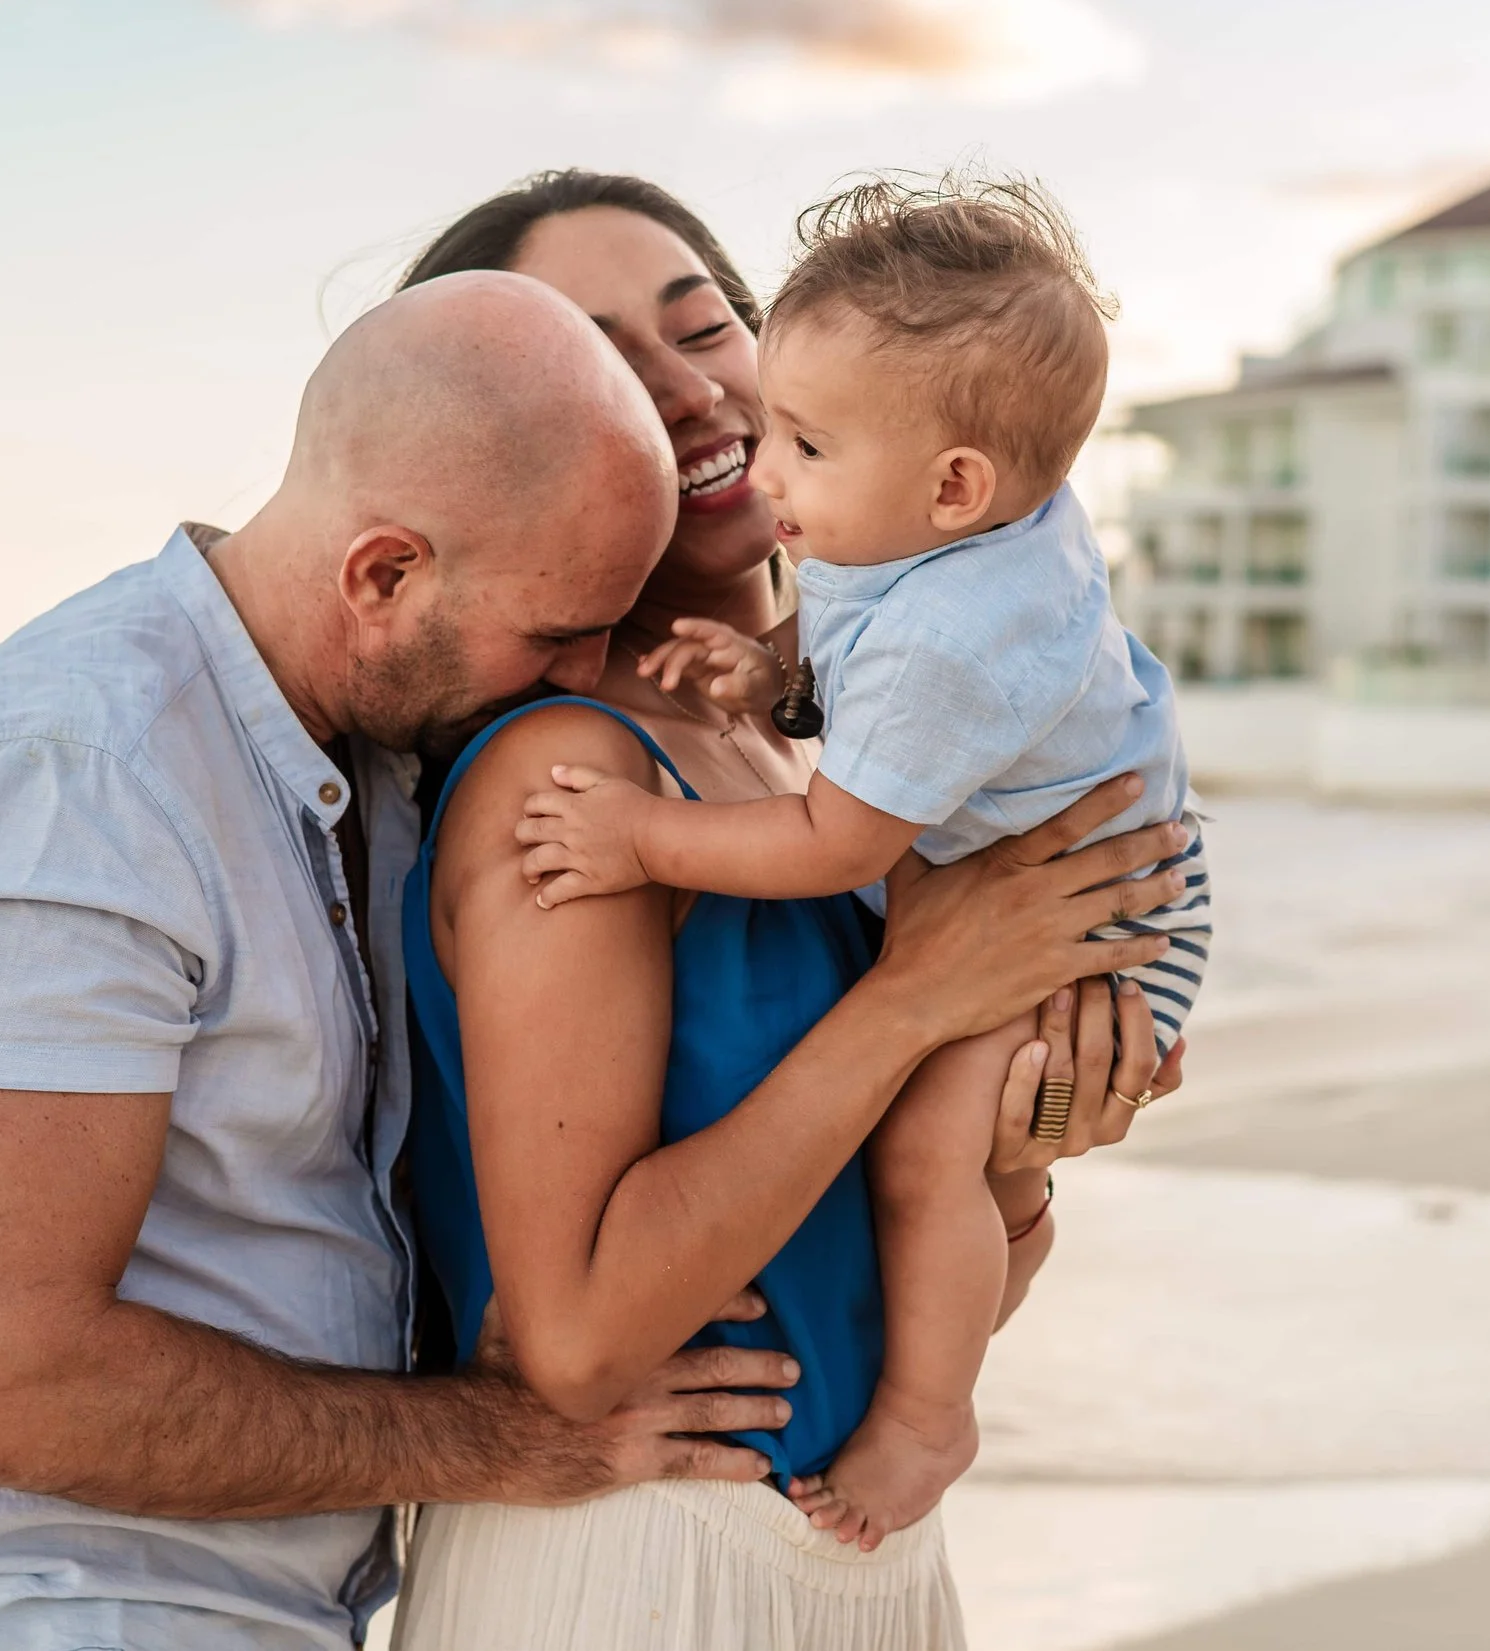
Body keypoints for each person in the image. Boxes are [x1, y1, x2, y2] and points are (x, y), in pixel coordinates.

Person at [0, 272, 816, 1651]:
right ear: (384, 573)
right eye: (555, 632)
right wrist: (501, 1436)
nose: (580, 675)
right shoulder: (71, 781)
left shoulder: (357, 759)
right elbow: (3, 1384)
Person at [385, 171, 1188, 1651]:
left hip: (856, 1556)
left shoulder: (813, 764)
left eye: (706, 330)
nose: (691, 392)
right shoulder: (576, 776)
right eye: (602, 362)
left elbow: (920, 1291)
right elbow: (578, 1346)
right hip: (641, 1570)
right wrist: (916, 1000)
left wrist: (1027, 1140)